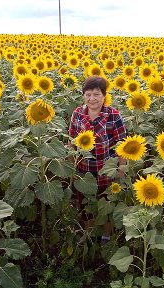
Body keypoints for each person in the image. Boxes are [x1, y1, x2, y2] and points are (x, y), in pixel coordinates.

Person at [68, 75, 127, 243]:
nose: (91, 99)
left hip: (106, 171)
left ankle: (106, 236)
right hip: (83, 170)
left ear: (104, 95)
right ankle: (89, 234)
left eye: (96, 94)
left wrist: (121, 171)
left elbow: (122, 145)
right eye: (88, 94)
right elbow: (71, 141)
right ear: (83, 96)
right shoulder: (78, 114)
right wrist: (72, 168)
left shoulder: (113, 116)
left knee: (106, 205)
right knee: (85, 205)